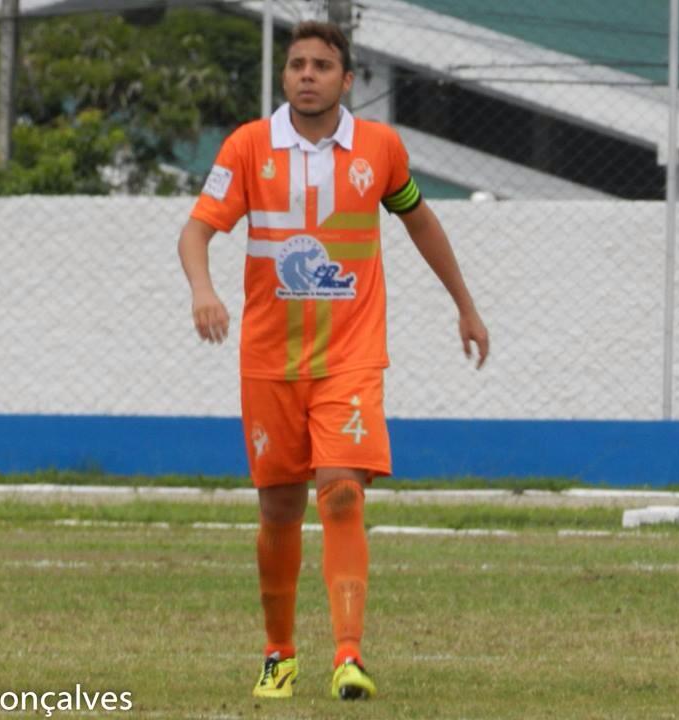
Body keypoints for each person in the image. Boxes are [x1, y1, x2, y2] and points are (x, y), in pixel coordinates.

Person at [177, 20, 489, 702]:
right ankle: (279, 655)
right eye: (297, 65)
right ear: (284, 76)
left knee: (342, 491)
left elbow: (420, 221)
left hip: (350, 357)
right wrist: (203, 290)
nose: (307, 75)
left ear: (346, 81)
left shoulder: (379, 148)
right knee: (280, 507)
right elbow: (197, 230)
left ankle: (349, 655)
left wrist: (465, 305)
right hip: (270, 361)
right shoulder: (248, 146)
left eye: (321, 65)